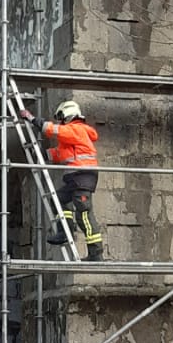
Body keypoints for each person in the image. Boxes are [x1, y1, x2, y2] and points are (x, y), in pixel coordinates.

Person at [43, 98, 103, 260]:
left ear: (69, 115)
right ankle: (65, 230)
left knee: (84, 214)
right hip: (75, 178)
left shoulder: (77, 129)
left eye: (63, 118)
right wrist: (44, 155)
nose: (61, 122)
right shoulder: (73, 135)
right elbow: (62, 153)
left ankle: (96, 253)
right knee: (59, 199)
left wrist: (36, 121)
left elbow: (56, 131)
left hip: (82, 177)